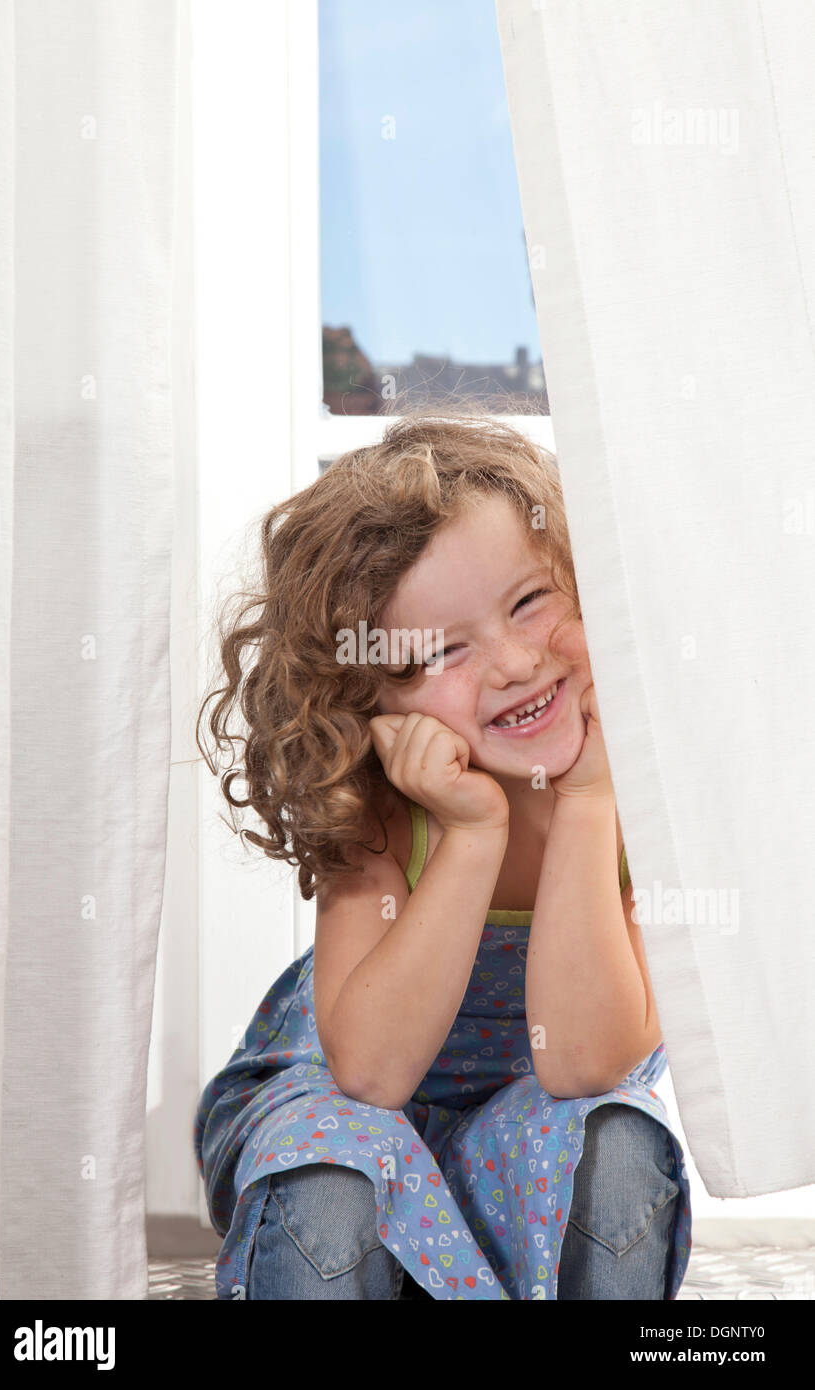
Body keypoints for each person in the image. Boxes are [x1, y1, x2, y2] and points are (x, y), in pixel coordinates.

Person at [192, 403, 691, 1300]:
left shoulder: (650, 796)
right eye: (439, 653)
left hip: (523, 1128)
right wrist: (468, 832)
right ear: (368, 703)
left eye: (530, 602)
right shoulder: (388, 811)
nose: (509, 664)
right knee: (333, 1175)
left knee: (617, 1139)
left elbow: (582, 1067)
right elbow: (372, 1077)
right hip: (349, 1110)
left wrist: (586, 796)